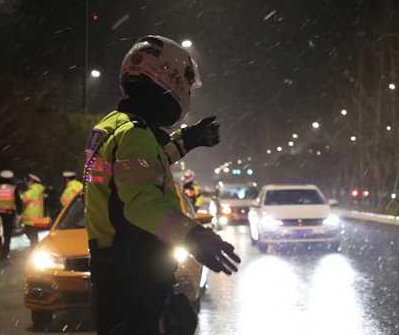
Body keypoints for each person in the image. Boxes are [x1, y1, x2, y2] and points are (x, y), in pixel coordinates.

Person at [83, 35, 240, 335]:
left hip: (114, 278)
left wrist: (186, 140)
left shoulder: (115, 125)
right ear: (172, 82)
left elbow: (141, 167)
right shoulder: (135, 134)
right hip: (135, 281)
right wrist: (194, 236)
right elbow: (141, 202)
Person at [0, 169, 23, 260]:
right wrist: (19, 213)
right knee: (7, 234)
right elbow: (18, 202)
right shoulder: (13, 188)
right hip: (9, 214)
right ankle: (5, 254)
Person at [21, 173, 45, 247]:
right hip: (37, 217)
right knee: (34, 236)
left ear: (32, 181)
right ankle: (35, 248)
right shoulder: (39, 189)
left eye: (29, 180)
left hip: (30, 218)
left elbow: (23, 198)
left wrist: (18, 194)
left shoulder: (33, 190)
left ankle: (34, 249)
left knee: (32, 236)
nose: (28, 182)